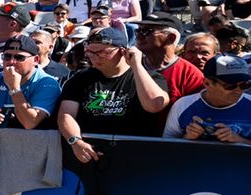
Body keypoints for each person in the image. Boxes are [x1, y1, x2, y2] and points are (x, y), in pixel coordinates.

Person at [57, 27, 173, 162]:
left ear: (123, 51)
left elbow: (154, 105)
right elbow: (66, 114)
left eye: (103, 53)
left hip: (136, 156)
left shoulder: (150, 78)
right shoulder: (80, 79)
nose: (95, 58)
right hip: (89, 154)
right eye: (90, 53)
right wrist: (75, 141)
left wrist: (136, 66)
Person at [163, 56, 251, 146]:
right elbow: (167, 149)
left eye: (245, 85)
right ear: (207, 83)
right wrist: (187, 138)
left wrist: (240, 141)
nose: (238, 90)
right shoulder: (183, 105)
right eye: (230, 86)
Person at [0, 35, 60, 130]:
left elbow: (30, 123)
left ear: (35, 60)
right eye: (7, 56)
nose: (12, 61)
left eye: (19, 57)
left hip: (35, 138)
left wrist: (14, 88)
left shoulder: (47, 83)